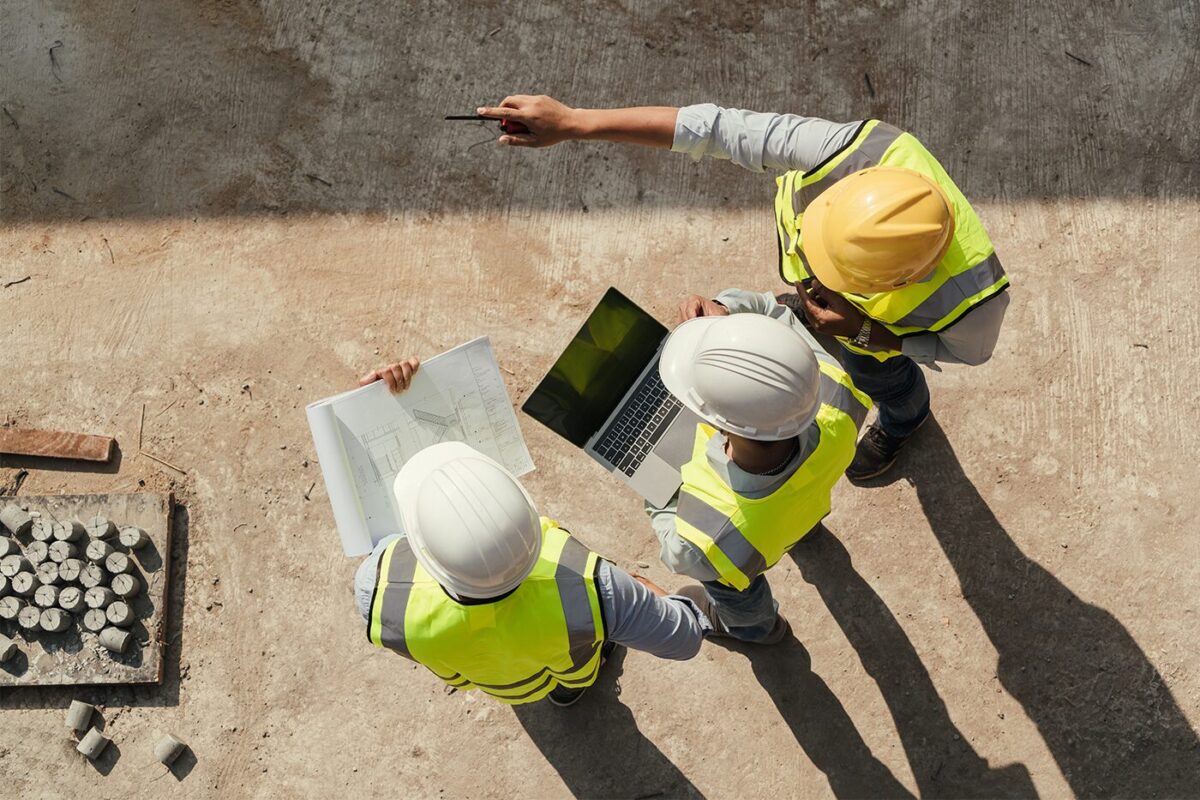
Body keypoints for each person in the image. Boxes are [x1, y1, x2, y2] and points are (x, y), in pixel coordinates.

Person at [475, 96, 1010, 479]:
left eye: (830, 274)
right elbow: (715, 129)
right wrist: (575, 122)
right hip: (850, 319)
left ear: (898, 280)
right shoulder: (851, 151)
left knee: (886, 382)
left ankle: (905, 419)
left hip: (872, 339)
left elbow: (968, 355)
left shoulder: (975, 304)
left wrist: (872, 335)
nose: (810, 276)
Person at [353, 358, 711, 706]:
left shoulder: (377, 591)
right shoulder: (596, 587)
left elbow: (386, 533)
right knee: (574, 671)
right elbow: (683, 637)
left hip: (496, 683)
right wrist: (638, 592)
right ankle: (570, 690)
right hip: (571, 667)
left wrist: (374, 410)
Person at [644, 301, 871, 642]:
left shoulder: (705, 540)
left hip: (744, 550)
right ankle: (805, 535)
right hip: (799, 509)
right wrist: (728, 321)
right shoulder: (835, 392)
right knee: (795, 515)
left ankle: (758, 629)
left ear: (709, 421)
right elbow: (775, 314)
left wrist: (652, 484)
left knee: (735, 591)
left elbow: (678, 554)